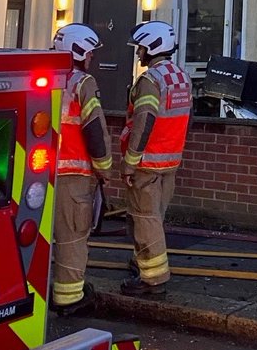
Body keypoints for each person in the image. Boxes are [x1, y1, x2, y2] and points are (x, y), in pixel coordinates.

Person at [120, 20, 193, 298]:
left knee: (144, 219)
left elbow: (143, 122)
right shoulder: (181, 78)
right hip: (170, 163)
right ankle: (143, 261)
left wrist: (130, 161)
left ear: (152, 46)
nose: (138, 54)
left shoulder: (151, 81)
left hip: (147, 164)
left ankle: (153, 279)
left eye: (140, 48)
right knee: (154, 219)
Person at [49, 23, 112, 315]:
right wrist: (104, 168)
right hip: (73, 176)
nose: (92, 59)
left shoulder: (45, 77)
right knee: (72, 237)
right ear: (79, 50)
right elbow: (94, 130)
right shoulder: (82, 83)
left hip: (41, 173)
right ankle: (69, 297)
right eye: (90, 53)